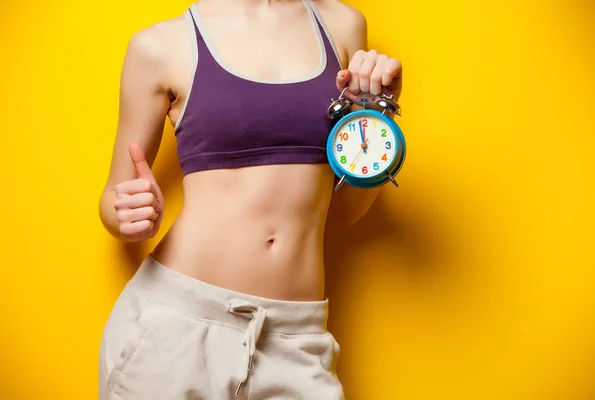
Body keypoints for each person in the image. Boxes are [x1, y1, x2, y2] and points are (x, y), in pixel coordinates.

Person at [98, 0, 402, 398]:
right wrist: (128, 213)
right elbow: (112, 197)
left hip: (294, 336)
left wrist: (377, 116)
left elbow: (346, 210)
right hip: (175, 329)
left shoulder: (342, 26)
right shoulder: (160, 45)